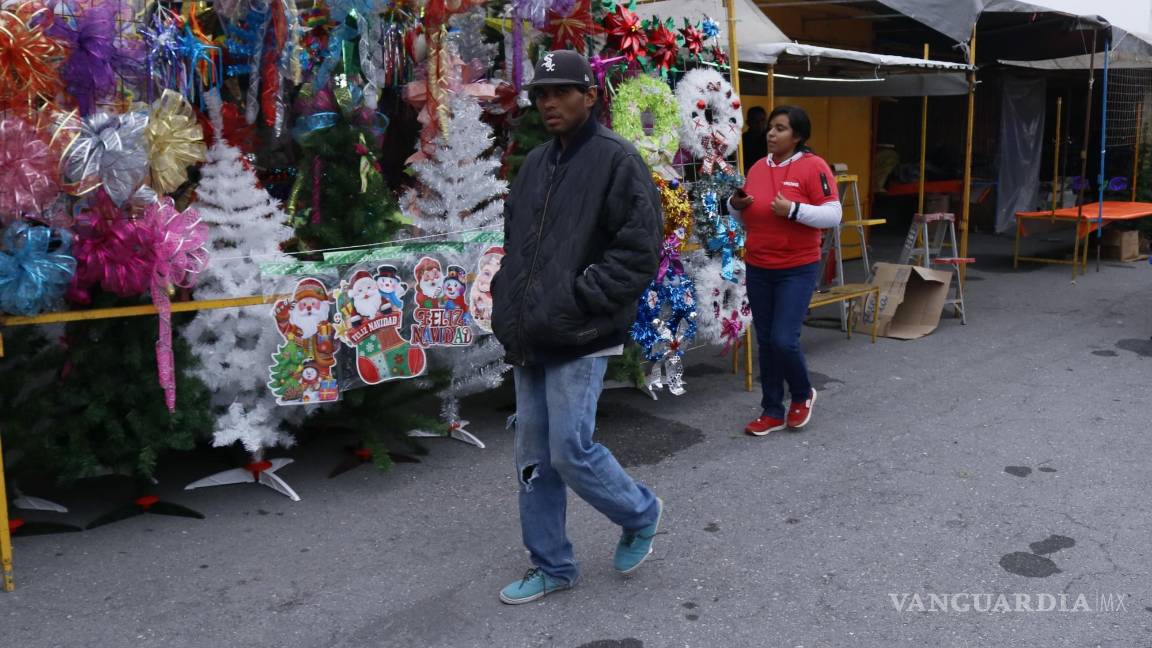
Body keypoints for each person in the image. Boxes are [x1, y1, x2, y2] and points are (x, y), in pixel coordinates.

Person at [490, 50, 665, 605]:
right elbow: (518, 242)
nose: (548, 103)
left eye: (560, 91)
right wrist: (505, 296)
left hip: (582, 332)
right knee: (534, 459)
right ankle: (552, 565)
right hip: (531, 332)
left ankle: (639, 511)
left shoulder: (617, 160)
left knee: (569, 449)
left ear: (589, 96)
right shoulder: (536, 162)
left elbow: (638, 252)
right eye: (541, 94)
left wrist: (578, 298)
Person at [729, 105, 842, 436]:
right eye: (771, 128)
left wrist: (793, 209)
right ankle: (772, 409)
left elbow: (833, 214)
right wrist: (735, 206)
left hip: (797, 267)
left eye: (780, 129)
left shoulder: (813, 167)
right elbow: (741, 215)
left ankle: (803, 393)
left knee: (783, 339)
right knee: (765, 340)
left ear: (798, 136)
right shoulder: (758, 168)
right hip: (759, 265)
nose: (771, 134)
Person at [741, 106, 768, 173]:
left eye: (762, 120)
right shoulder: (742, 140)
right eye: (755, 121)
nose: (759, 124)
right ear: (748, 123)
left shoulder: (771, 138)